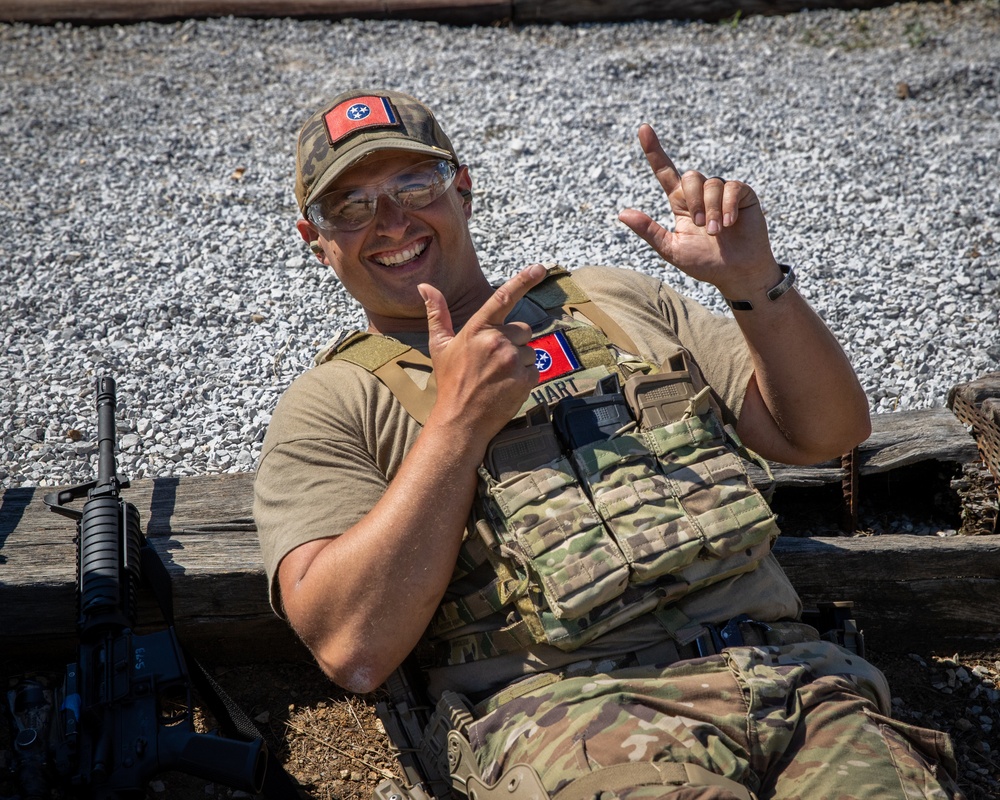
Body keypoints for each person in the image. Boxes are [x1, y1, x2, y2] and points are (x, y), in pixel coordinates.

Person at [254, 89, 961, 799]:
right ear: (314, 242)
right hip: (570, 721)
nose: (392, 220)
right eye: (350, 207)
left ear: (462, 189)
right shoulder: (335, 402)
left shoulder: (611, 301)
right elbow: (352, 649)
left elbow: (827, 432)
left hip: (794, 682)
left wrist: (753, 284)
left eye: (414, 184)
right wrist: (455, 427)